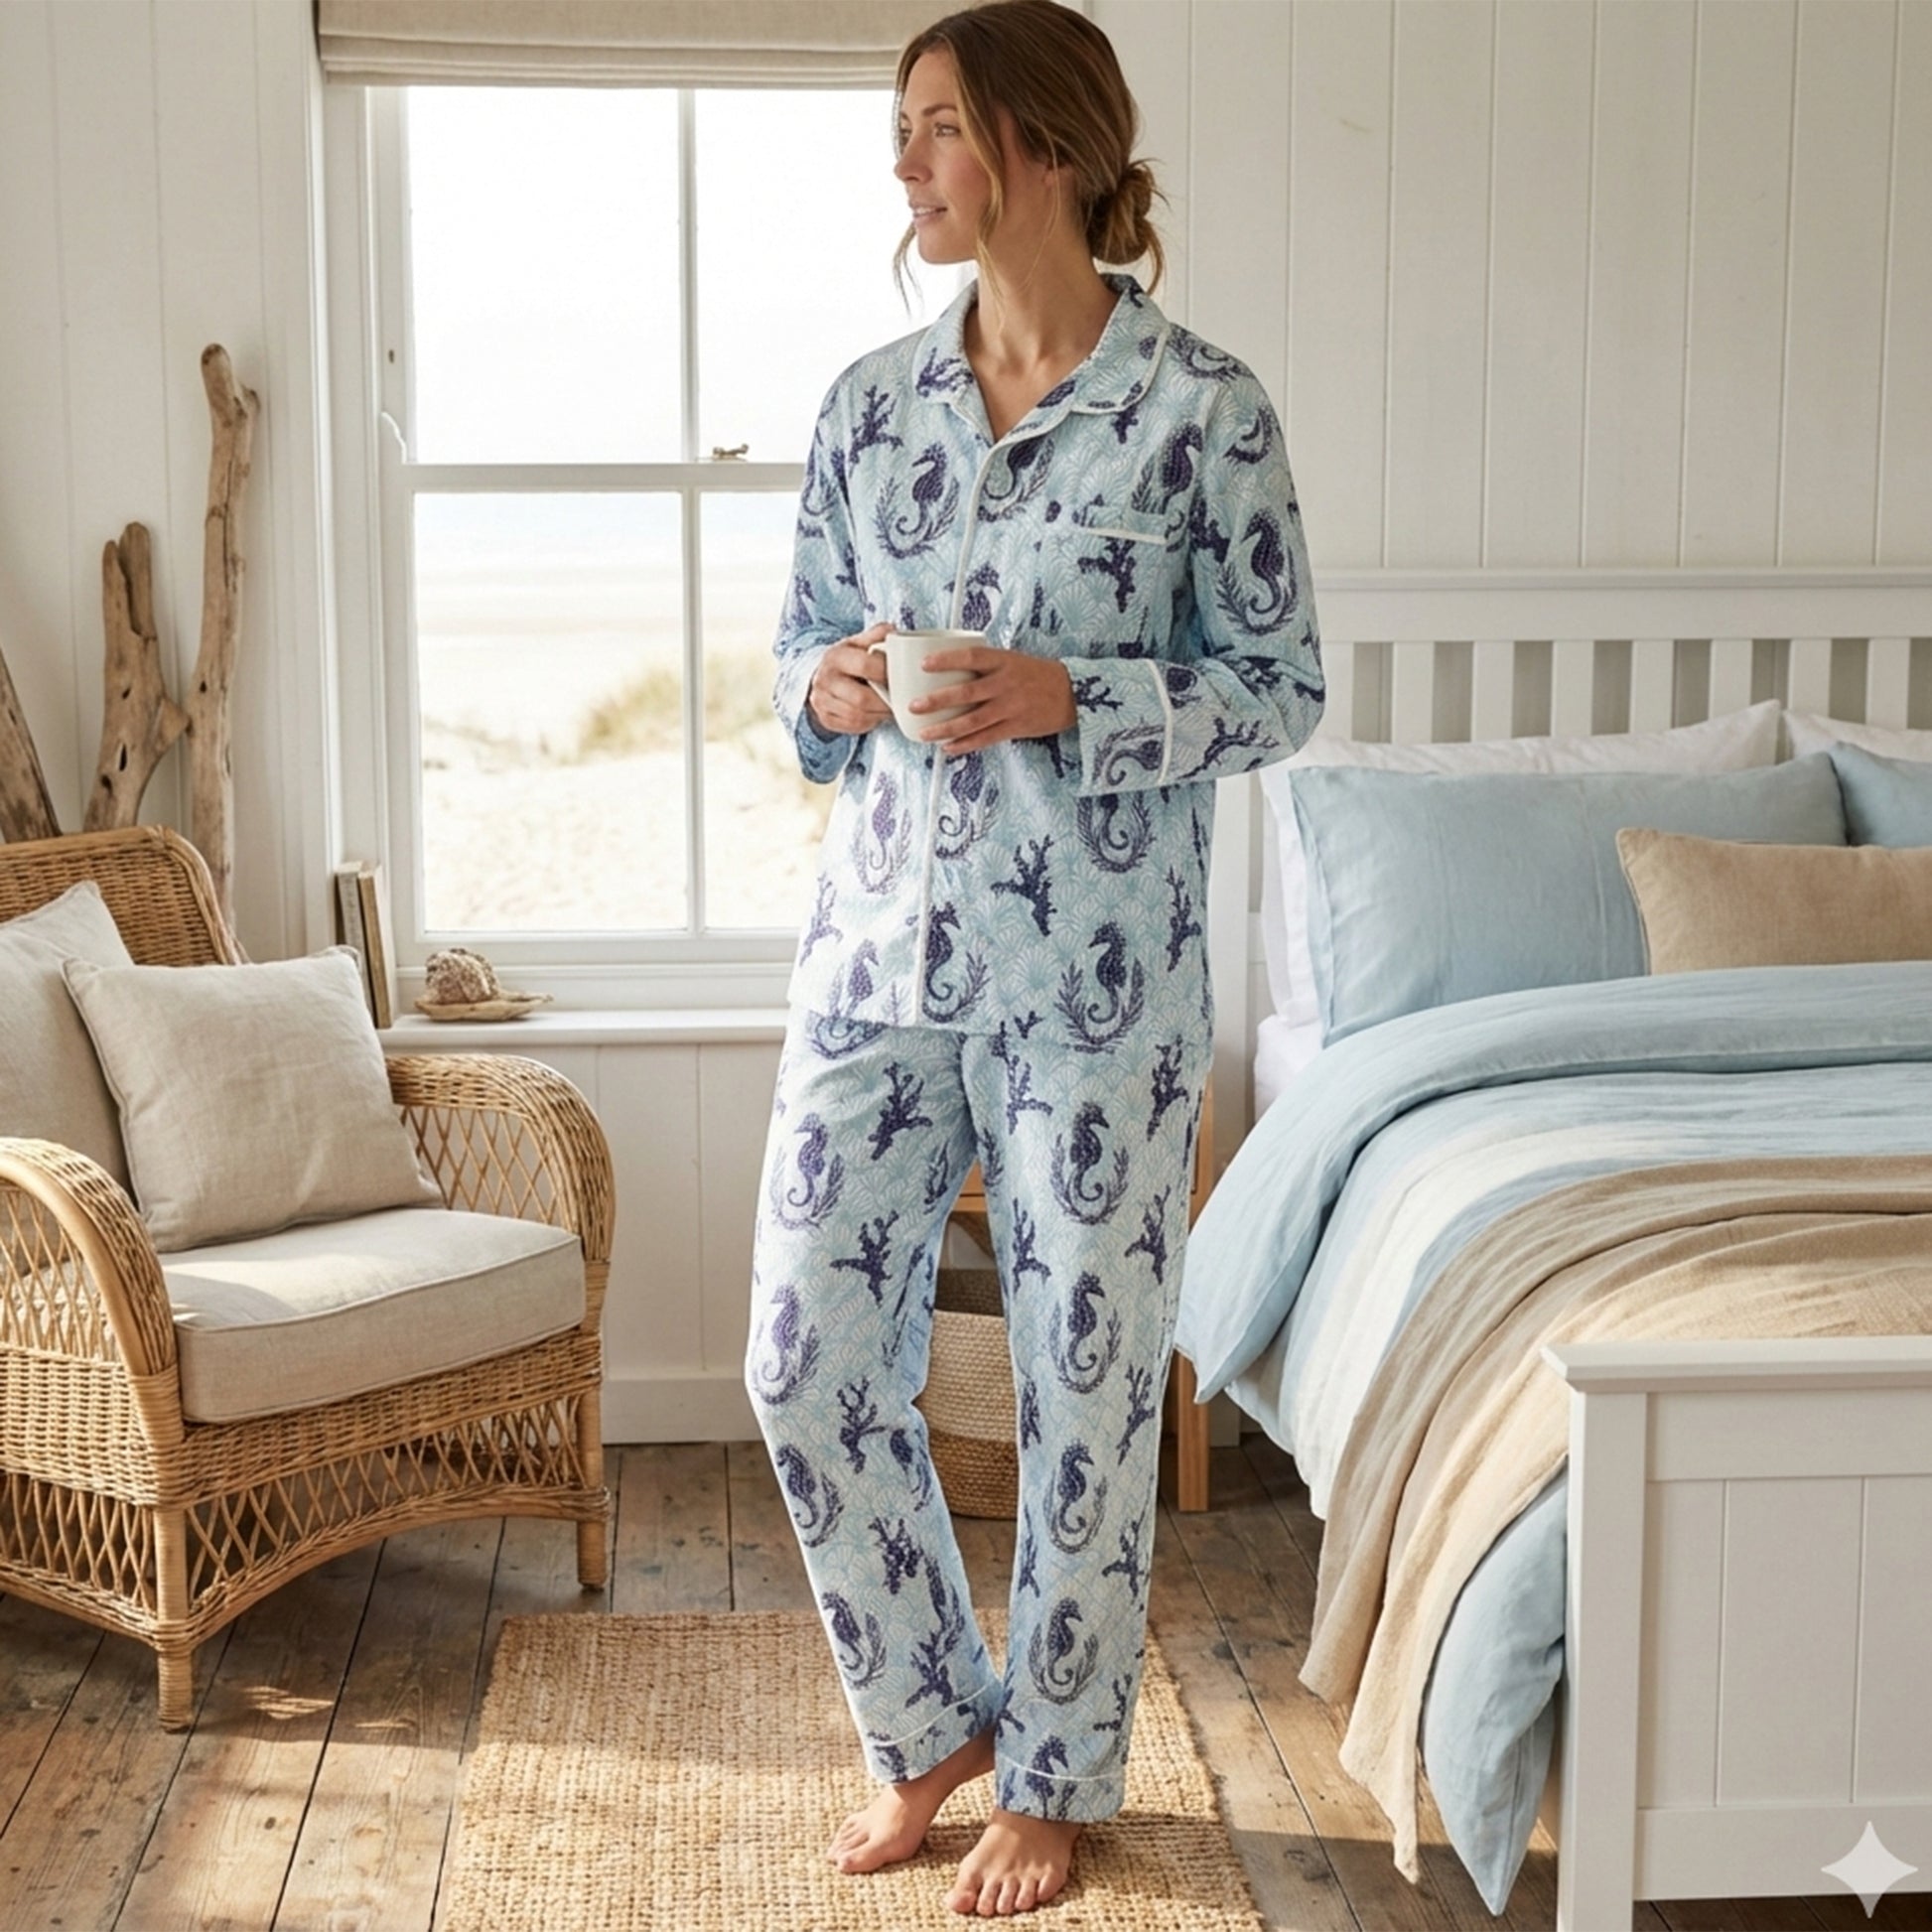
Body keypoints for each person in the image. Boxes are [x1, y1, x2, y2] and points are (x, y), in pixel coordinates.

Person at [745, 0, 1321, 1914]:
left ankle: (1056, 1773)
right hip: (873, 960)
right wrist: (828, 684)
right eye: (903, 135)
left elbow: (1279, 689)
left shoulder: (1202, 413)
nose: (902, 167)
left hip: (1097, 988)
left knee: (1085, 1382)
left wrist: (1080, 695)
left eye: (931, 130)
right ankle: (930, 1727)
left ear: (1042, 148)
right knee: (802, 1355)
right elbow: (804, 674)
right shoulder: (862, 409)